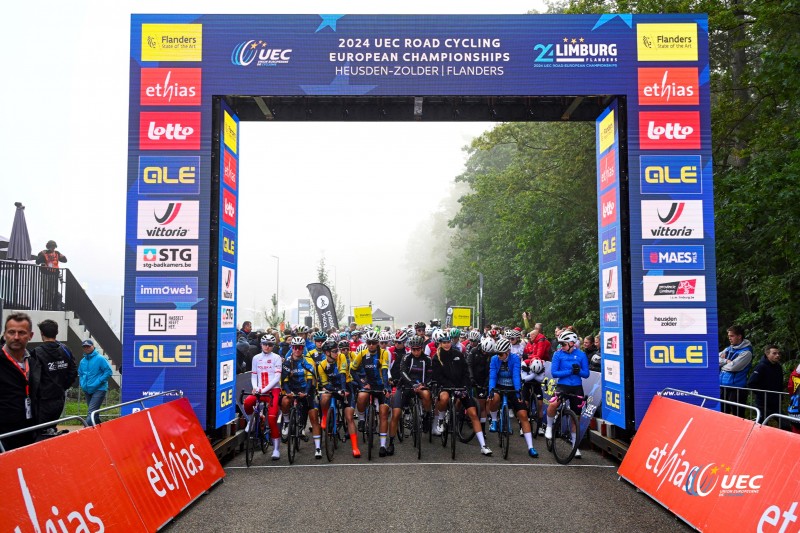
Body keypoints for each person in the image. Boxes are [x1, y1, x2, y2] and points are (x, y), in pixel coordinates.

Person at [432, 332, 492, 456]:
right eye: (444, 342)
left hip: (461, 387)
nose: (447, 344)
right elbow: (437, 376)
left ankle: (483, 445)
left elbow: (465, 371)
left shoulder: (459, 354)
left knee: (473, 413)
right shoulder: (436, 357)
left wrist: (466, 385)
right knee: (444, 398)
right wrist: (449, 385)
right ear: (440, 344)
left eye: (448, 342)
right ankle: (441, 420)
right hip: (445, 386)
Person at [487, 338, 536, 457]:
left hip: (513, 387)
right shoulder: (494, 359)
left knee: (523, 415)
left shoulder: (515, 359)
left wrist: (519, 393)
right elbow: (492, 377)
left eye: (501, 354)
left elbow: (515, 376)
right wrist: (491, 391)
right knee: (494, 399)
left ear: (507, 352)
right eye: (497, 353)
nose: (498, 356)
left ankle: (530, 447)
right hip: (498, 385)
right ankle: (494, 421)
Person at [0, 312, 42, 450]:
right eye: (11, 332)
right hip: (3, 437)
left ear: (30, 335)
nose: (16, 337)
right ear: (5, 334)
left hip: (29, 433)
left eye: (22, 333)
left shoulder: (33, 361)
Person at [545, 330, 589, 458]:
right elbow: (554, 373)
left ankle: (575, 445)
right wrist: (570, 371)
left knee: (576, 418)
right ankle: (548, 426)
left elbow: (586, 374)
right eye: (560, 344)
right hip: (563, 386)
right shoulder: (558, 355)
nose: (561, 347)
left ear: (571, 343)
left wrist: (578, 371)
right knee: (553, 405)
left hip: (577, 387)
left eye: (563, 344)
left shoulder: (581, 355)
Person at [350, 330, 392, 457]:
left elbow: (384, 371)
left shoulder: (384, 353)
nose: (372, 345)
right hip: (369, 384)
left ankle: (383, 445)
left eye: (374, 343)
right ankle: (362, 419)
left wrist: (386, 387)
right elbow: (352, 370)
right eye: (369, 343)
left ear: (378, 343)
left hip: (381, 385)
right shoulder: (362, 353)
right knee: (362, 396)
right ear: (366, 343)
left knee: (384, 413)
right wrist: (362, 384)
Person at [389, 334, 433, 454]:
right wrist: (412, 384)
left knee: (427, 395)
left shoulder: (428, 359)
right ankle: (391, 442)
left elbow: (430, 376)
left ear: (422, 348)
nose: (416, 352)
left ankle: (426, 416)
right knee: (396, 413)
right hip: (405, 386)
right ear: (411, 349)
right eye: (413, 349)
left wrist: (423, 384)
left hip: (421, 386)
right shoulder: (406, 357)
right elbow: (402, 372)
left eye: (418, 349)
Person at [281, 336, 322, 459]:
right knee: (284, 401)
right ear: (291, 348)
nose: (297, 350)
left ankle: (318, 447)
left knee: (313, 416)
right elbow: (285, 380)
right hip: (292, 390)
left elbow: (310, 380)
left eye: (299, 347)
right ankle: (287, 423)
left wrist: (306, 392)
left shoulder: (308, 361)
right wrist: (288, 392)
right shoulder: (287, 362)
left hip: (307, 390)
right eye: (295, 347)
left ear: (303, 348)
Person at [317, 340, 360, 457]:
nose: (337, 352)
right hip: (333, 388)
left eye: (337, 350)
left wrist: (342, 390)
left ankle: (355, 447)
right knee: (324, 396)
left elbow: (342, 375)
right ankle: (325, 416)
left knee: (349, 417)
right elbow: (325, 384)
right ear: (327, 352)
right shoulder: (321, 365)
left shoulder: (341, 357)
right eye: (334, 351)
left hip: (346, 385)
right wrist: (336, 391)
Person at [33, 319, 77, 433]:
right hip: (59, 399)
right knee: (50, 429)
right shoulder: (65, 349)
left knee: (39, 433)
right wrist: (63, 386)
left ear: (42, 333)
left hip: (43, 401)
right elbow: (73, 371)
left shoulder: (37, 353)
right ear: (56, 333)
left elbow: (33, 378)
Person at [244, 334, 282, 460]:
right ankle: (254, 419)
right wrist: (255, 388)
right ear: (261, 344)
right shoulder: (256, 358)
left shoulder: (276, 358)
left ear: (273, 346)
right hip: (259, 389)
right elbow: (254, 375)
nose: (267, 346)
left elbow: (277, 378)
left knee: (271, 419)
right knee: (247, 403)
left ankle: (276, 449)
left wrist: (263, 390)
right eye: (265, 344)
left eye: (270, 345)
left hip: (273, 391)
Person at [719, 325, 754, 417]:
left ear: (739, 336)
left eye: (732, 336)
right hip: (723, 386)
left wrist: (722, 365)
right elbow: (714, 359)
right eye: (729, 336)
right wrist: (726, 361)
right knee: (722, 414)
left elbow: (733, 367)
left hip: (737, 388)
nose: (729, 338)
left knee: (737, 416)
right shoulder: (728, 348)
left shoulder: (747, 352)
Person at [78, 339, 113, 426]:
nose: (86, 348)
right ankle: (102, 431)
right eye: (84, 347)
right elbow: (81, 373)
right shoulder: (82, 361)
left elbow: (108, 371)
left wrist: (99, 381)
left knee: (91, 412)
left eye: (88, 346)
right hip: (87, 389)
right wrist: (82, 383)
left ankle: (85, 432)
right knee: (94, 414)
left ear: (93, 346)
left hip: (99, 389)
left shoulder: (100, 358)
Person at [746, 345, 784, 422]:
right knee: (760, 425)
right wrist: (763, 395)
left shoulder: (778, 367)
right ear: (767, 354)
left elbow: (780, 383)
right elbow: (751, 383)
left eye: (778, 353)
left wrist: (781, 396)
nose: (777, 355)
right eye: (774, 353)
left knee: (785, 425)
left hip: (776, 403)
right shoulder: (761, 367)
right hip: (763, 404)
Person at [35, 240, 67, 310]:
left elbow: (65, 260)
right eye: (51, 246)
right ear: (48, 246)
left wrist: (61, 256)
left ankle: (50, 305)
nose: (52, 248)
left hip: (54, 275)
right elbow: (37, 262)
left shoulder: (57, 253)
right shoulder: (44, 252)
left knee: (52, 291)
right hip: (45, 274)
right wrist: (42, 255)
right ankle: (45, 305)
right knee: (46, 290)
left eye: (54, 246)